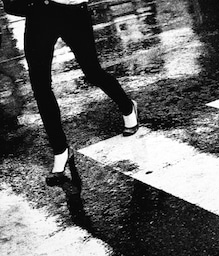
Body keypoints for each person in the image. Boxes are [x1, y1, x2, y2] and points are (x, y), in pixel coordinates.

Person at [23, 0, 138, 186]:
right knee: (40, 87)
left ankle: (127, 107)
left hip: (72, 10)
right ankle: (60, 151)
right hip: (38, 11)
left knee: (92, 71)